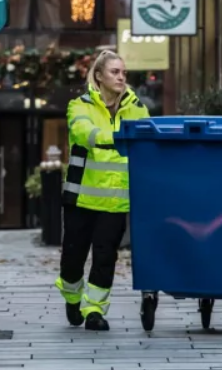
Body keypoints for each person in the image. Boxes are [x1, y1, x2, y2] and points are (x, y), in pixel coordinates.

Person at [54, 49, 150, 331]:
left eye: (123, 73)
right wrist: (122, 137)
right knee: (73, 256)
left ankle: (94, 310)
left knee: (106, 257)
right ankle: (72, 299)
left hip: (116, 200)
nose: (121, 77)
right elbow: (86, 133)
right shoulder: (79, 106)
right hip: (81, 198)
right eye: (115, 72)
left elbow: (146, 142)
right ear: (98, 76)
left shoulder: (137, 108)